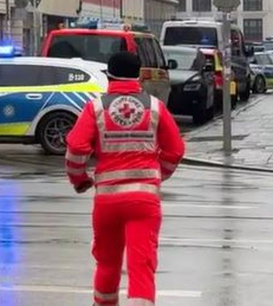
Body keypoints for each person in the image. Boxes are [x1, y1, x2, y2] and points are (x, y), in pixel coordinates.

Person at [66, 51, 185, 306]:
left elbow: (76, 148)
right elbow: (175, 150)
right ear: (139, 76)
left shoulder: (96, 108)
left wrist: (80, 180)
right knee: (141, 266)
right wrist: (156, 176)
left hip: (107, 202)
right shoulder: (155, 107)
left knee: (107, 264)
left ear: (109, 76)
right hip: (144, 201)